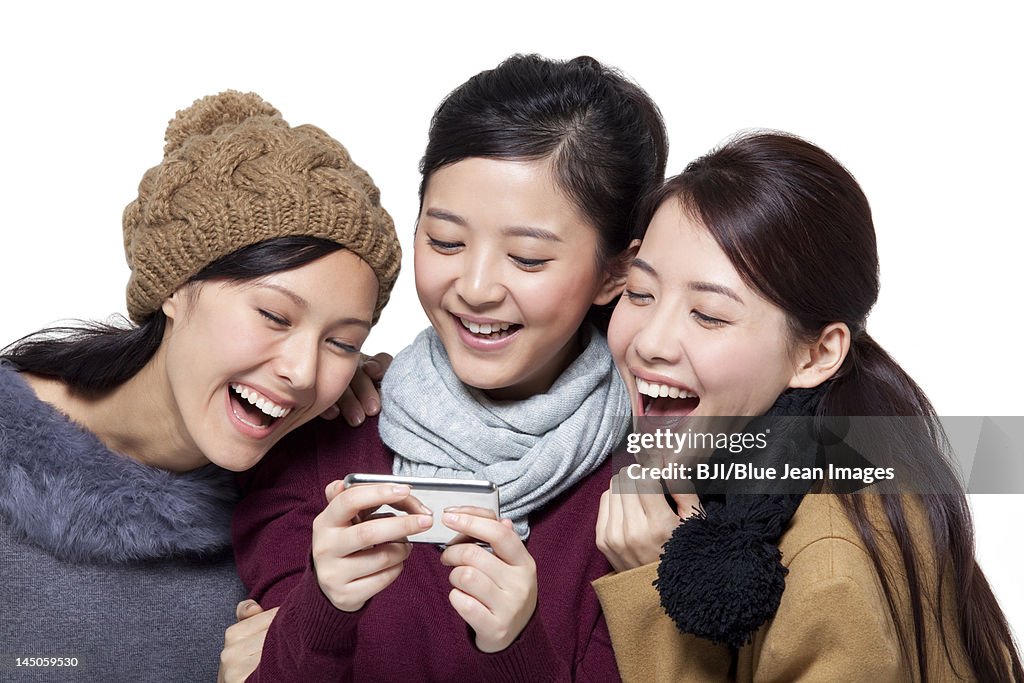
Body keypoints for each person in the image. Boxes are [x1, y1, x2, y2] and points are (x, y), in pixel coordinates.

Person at [229, 53, 667, 681]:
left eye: (528, 257)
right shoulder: (323, 438)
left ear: (615, 273)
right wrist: (320, 611)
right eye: (445, 242)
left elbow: (846, 445)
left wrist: (518, 644)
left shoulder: (648, 489)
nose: (477, 286)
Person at [592, 131, 1023, 681]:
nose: (649, 341)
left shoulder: (829, 560)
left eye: (709, 315)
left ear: (817, 354)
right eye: (641, 293)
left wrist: (656, 590)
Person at [0, 90, 401, 681]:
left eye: (341, 342)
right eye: (274, 316)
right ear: (174, 287)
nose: (304, 372)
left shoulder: (306, 518)